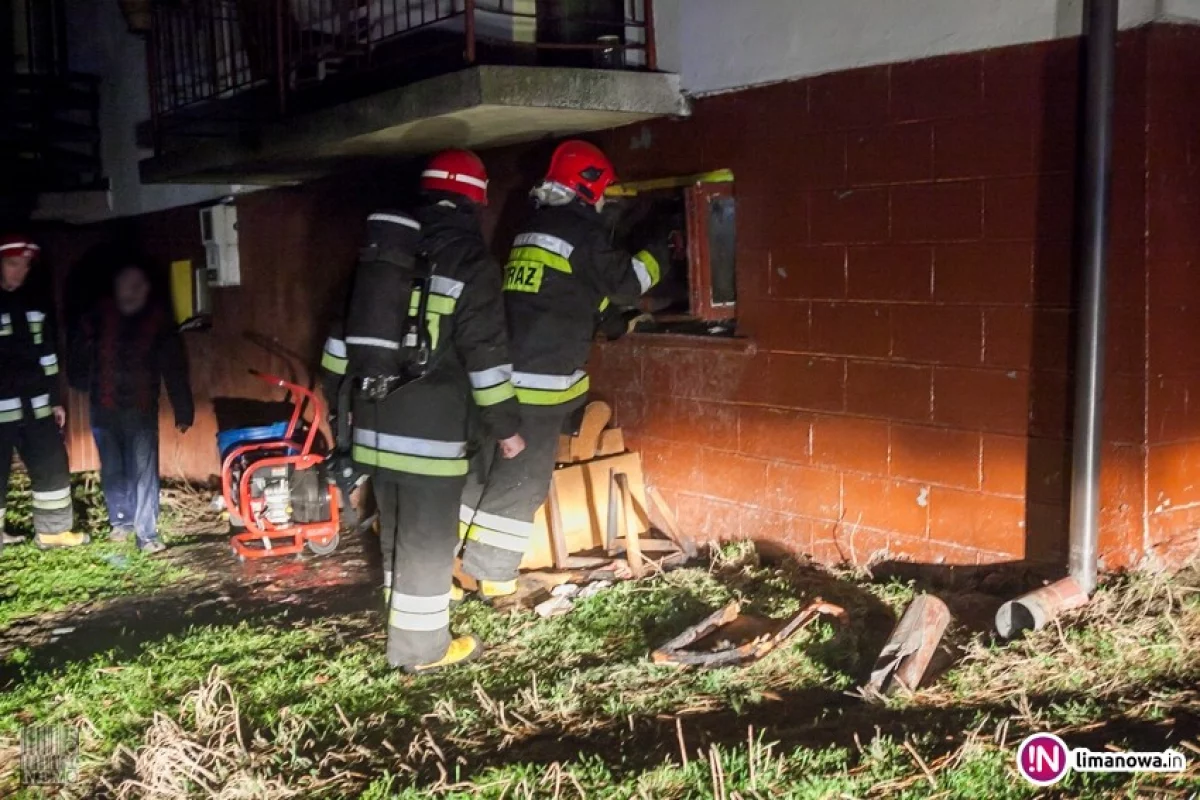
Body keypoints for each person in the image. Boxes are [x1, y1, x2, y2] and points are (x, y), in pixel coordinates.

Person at [321, 149, 524, 673]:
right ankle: (422, 650)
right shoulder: (470, 263)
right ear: (474, 201)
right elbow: (485, 357)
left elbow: (339, 345)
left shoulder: (384, 253)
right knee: (428, 539)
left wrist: (342, 415)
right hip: (431, 435)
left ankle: (405, 612)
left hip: (372, 424)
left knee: (395, 527)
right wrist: (506, 427)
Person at [457, 140, 670, 601]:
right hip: (539, 383)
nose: (604, 199)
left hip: (500, 374)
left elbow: (563, 294)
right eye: (602, 190)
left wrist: (604, 316)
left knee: (482, 470)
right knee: (521, 479)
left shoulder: (531, 228)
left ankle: (451, 568)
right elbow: (629, 283)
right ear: (587, 185)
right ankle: (495, 576)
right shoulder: (580, 232)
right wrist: (662, 247)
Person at [69, 262, 194, 553]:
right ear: (117, 287)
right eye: (128, 285)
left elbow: (174, 367)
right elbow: (78, 345)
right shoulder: (99, 314)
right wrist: (77, 379)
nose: (134, 291)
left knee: (143, 473)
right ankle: (121, 523)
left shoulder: (157, 320)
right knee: (112, 470)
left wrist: (183, 409)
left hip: (140, 410)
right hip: (103, 408)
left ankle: (146, 534)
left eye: (140, 286)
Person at [0, 234, 84, 548]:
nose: (19, 272)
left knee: (51, 463)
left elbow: (48, 356)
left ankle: (52, 531)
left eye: (24, 266)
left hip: (36, 406)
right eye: (12, 265)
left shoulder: (33, 304)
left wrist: (54, 400)